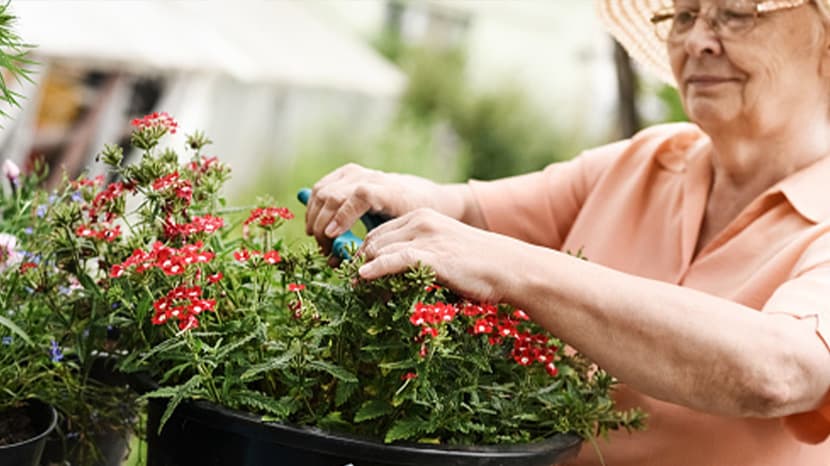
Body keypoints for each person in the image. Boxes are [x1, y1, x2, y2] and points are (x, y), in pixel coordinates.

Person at [304, 0, 830, 464]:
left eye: (735, 13)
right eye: (683, 15)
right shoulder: (645, 160)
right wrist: (393, 194)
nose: (696, 40)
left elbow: (779, 371)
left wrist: (513, 267)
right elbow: (467, 210)